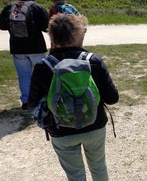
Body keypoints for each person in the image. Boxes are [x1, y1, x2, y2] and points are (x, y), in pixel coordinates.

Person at [28, 14, 119, 181]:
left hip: (60, 130)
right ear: (78, 34)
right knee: (99, 167)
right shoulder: (93, 61)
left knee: (75, 174)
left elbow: (32, 102)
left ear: (52, 36)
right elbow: (112, 98)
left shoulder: (44, 65)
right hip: (95, 126)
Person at [0, 0, 49, 110]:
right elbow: (46, 28)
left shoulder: (10, 6)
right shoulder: (37, 7)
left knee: (23, 75)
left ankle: (26, 102)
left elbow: (3, 26)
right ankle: (43, 100)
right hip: (36, 47)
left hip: (17, 48)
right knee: (42, 74)